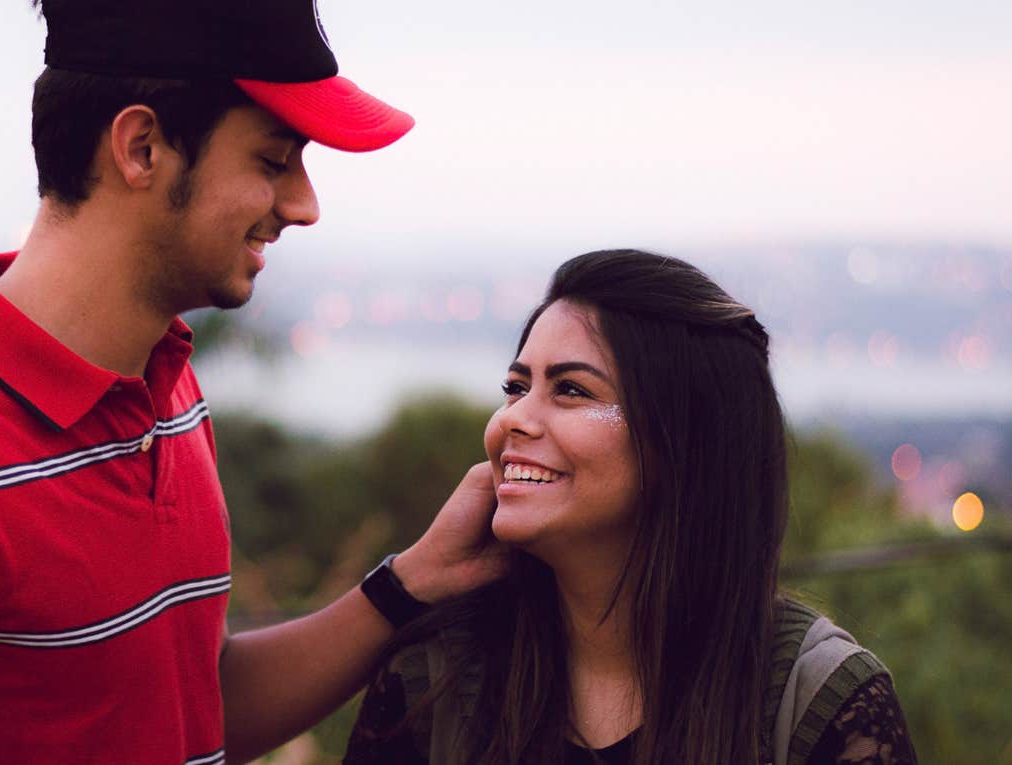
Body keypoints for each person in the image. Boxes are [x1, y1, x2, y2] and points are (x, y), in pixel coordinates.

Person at [0, 2, 507, 763]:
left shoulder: (169, 391)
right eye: (272, 160)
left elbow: (189, 706)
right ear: (143, 147)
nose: (304, 205)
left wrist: (414, 583)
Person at [344, 250, 919, 765]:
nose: (511, 419)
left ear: (681, 445)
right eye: (516, 387)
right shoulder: (433, 679)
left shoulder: (819, 698)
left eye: (570, 390)